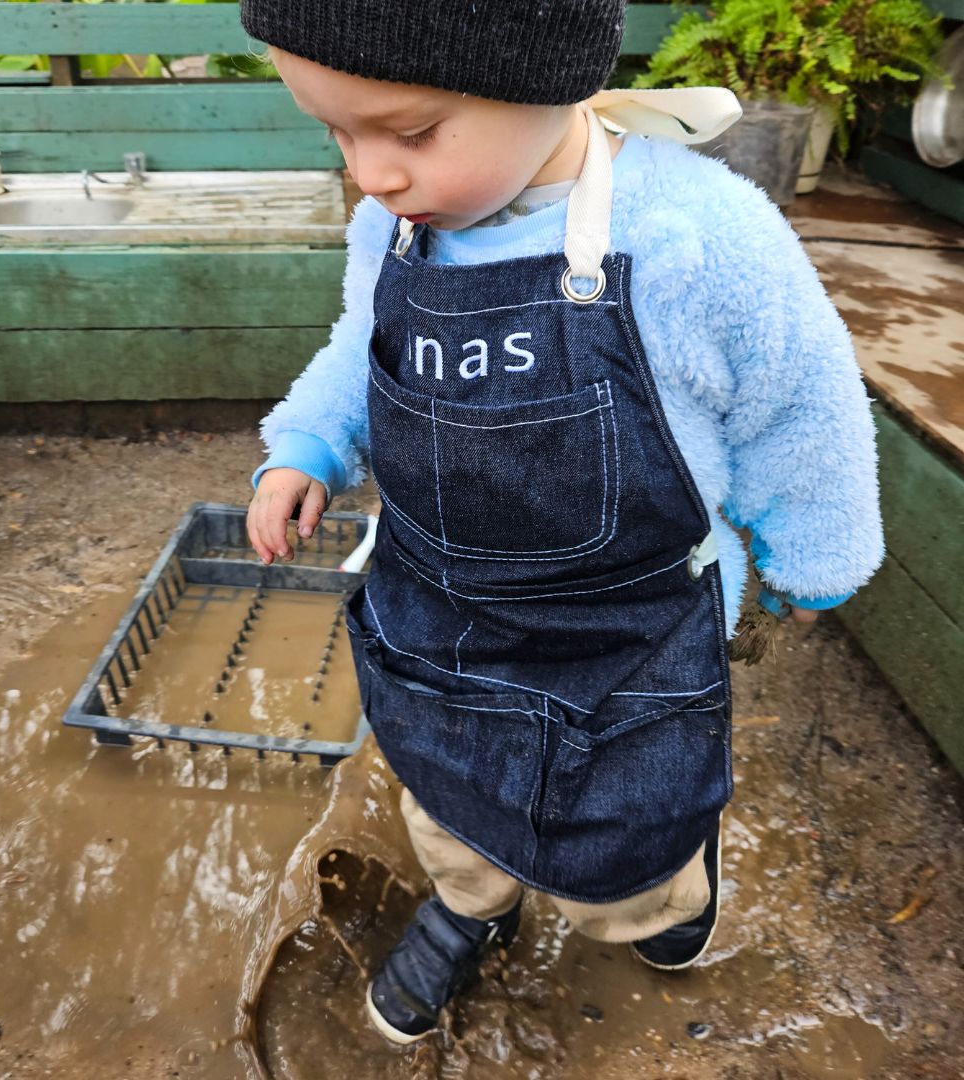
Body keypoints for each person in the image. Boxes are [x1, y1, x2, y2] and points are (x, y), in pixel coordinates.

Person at [239, 0, 884, 1046]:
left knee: (631, 807)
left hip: (631, 631)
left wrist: (816, 556)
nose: (371, 174)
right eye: (337, 133)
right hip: (444, 616)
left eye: (408, 133)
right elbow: (364, 343)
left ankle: (658, 898)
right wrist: (307, 444)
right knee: (448, 785)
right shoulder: (398, 227)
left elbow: (801, 405)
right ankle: (469, 906)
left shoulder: (699, 234)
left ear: (546, 77)